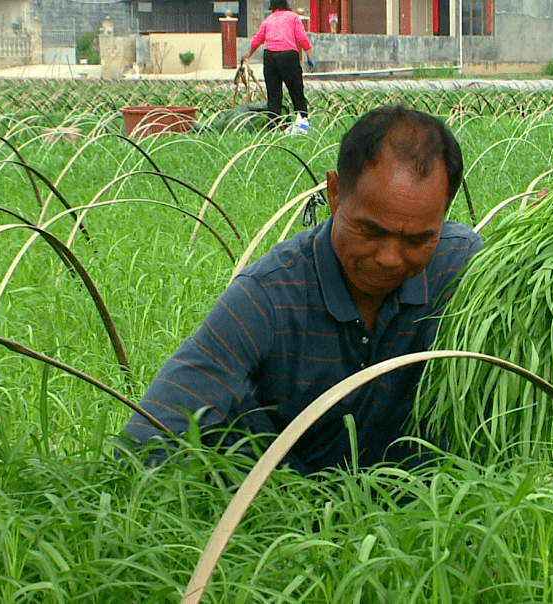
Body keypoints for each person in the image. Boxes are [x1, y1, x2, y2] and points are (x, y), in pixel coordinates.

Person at [123, 105, 482, 473]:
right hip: (288, 512)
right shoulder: (268, 296)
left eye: (417, 239)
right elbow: (146, 437)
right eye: (371, 231)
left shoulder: (463, 268)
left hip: (422, 514)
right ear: (336, 192)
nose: (390, 258)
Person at [242, 0, 315, 131]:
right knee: (296, 92)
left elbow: (257, 39)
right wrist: (309, 55)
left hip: (269, 57)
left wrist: (249, 53)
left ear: (272, 6)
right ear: (286, 5)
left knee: (274, 95)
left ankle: (273, 126)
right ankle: (303, 124)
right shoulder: (293, 17)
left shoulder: (268, 20)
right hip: (288, 56)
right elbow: (302, 37)